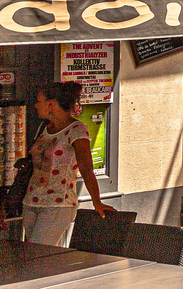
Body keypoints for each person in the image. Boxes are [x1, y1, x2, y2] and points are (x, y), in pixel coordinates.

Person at [23, 81, 111, 245]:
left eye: (39, 101)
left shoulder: (77, 129)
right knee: (40, 255)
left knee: (37, 251)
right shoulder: (43, 127)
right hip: (31, 201)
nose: (35, 105)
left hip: (58, 203)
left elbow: (85, 167)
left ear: (51, 104)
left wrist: (96, 201)